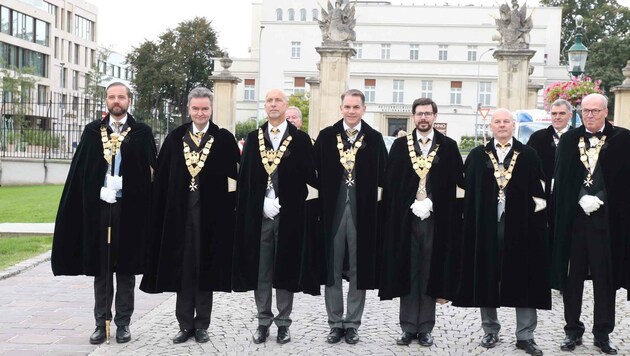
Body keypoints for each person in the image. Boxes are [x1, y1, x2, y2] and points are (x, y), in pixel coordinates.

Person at [51, 82, 156, 344]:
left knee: (126, 268)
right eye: (112, 97)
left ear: (129, 100)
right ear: (106, 101)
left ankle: (123, 323)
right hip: (101, 208)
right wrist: (99, 188)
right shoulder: (91, 132)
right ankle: (101, 322)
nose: (116, 101)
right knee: (102, 266)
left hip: (129, 209)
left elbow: (150, 174)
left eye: (121, 97)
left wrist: (127, 184)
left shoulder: (142, 133)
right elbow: (82, 173)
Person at [139, 87, 240, 344]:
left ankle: (202, 324)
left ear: (211, 109)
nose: (200, 113)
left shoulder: (224, 139)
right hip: (179, 217)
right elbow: (161, 180)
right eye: (195, 108)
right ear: (188, 109)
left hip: (211, 218)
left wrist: (231, 211)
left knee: (205, 269)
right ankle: (184, 324)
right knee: (183, 270)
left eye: (204, 108)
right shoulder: (174, 139)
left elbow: (235, 180)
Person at [454, 108, 550, 356]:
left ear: (514, 124)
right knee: (487, 275)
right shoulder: (476, 155)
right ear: (491, 126)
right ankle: (490, 330)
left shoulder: (529, 155)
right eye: (497, 121)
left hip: (521, 228)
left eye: (506, 121)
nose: (502, 125)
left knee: (524, 277)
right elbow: (466, 192)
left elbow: (540, 195)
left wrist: (538, 226)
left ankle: (525, 335)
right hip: (486, 227)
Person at [232, 89, 319, 345]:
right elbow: (245, 180)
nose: (273, 104)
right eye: (269, 100)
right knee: (262, 270)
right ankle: (262, 321)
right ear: (265, 106)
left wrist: (288, 201)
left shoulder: (301, 140)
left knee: (286, 267)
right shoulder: (252, 138)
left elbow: (309, 182)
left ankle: (283, 323)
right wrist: (261, 202)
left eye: (277, 100)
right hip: (261, 216)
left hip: (289, 215)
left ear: (285, 105)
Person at [379, 98, 464, 347]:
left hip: (435, 220)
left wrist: (433, 201)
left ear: (435, 116)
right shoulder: (399, 146)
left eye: (428, 113)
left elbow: (456, 185)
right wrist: (409, 203)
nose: (423, 118)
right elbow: (391, 183)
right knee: (409, 269)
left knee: (429, 271)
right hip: (406, 220)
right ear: (413, 116)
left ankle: (426, 327)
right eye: (419, 114)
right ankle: (407, 327)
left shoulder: (448, 146)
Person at [552, 93, 630, 355]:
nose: (590, 115)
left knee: (604, 279)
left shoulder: (623, 140)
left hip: (607, 225)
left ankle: (603, 332)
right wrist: (579, 197)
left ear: (606, 112)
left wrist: (601, 198)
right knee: (572, 279)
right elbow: (561, 181)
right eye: (586, 111)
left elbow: (625, 183)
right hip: (575, 223)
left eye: (595, 111)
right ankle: (572, 330)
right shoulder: (568, 140)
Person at [314, 89, 387, 345]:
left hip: (362, 212)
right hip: (333, 211)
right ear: (341, 108)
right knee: (332, 268)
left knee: (359, 268)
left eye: (356, 107)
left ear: (363, 109)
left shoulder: (375, 139)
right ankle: (335, 323)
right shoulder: (326, 137)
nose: (352, 111)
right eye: (347, 107)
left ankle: (353, 323)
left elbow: (383, 179)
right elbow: (315, 176)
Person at [526, 99, 573, 242]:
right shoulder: (538, 138)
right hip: (543, 197)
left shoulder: (578, 138)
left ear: (570, 115)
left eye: (561, 113)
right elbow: (529, 166)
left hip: (569, 196)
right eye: (554, 113)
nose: (557, 117)